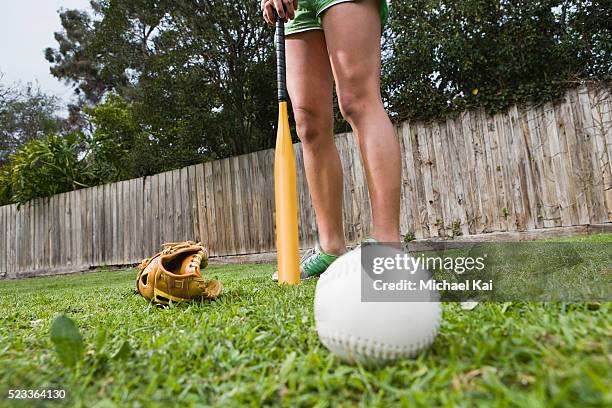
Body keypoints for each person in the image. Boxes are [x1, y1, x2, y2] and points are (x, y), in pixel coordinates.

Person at [263, 0, 401, 279]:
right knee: (308, 122)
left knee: (357, 99)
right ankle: (331, 247)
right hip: (297, 7)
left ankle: (388, 243)